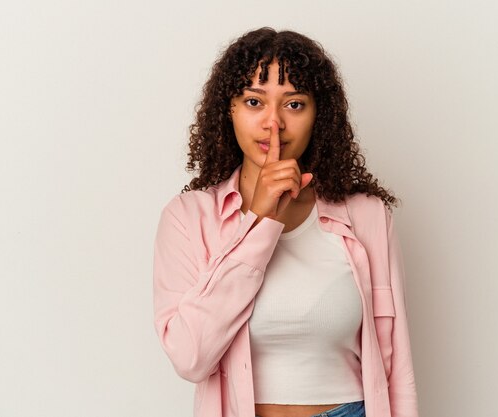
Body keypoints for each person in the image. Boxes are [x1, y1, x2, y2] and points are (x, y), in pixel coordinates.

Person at [153, 27, 418, 417]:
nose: (272, 123)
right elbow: (190, 358)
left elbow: (397, 368)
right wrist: (260, 221)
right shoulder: (188, 218)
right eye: (253, 101)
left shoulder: (368, 215)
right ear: (229, 110)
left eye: (294, 104)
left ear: (318, 115)